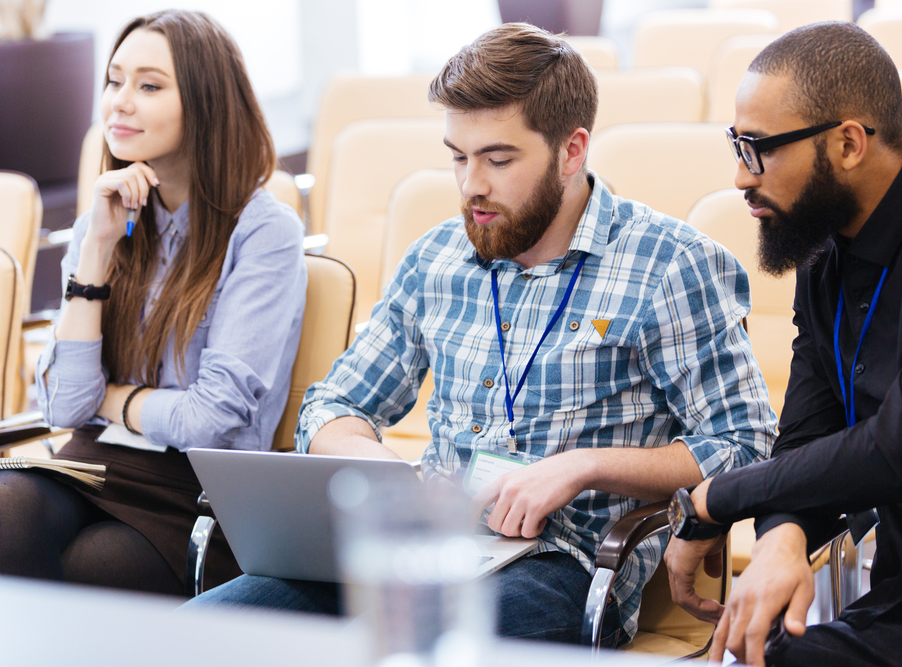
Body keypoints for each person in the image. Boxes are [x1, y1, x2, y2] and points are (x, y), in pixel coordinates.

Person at [187, 23, 774, 645]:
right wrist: (394, 480)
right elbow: (332, 408)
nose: (472, 186)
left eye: (497, 159)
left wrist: (581, 467)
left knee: (401, 648)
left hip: (562, 562)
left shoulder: (669, 266)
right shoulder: (436, 258)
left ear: (572, 151)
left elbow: (745, 443)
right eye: (458, 158)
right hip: (423, 547)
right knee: (201, 635)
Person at [0, 10, 307, 596]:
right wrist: (100, 249)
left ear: (206, 103)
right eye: (114, 81)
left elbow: (211, 421)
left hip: (196, 493)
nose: (119, 103)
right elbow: (64, 405)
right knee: (2, 502)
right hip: (91, 465)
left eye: (149, 85)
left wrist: (112, 399)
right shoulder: (100, 224)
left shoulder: (264, 232)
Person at [662, 22, 902, 667]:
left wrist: (718, 497)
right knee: (769, 654)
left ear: (847, 144)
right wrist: (783, 535)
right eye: (737, 145)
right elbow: (806, 437)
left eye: (758, 149)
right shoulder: (823, 256)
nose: (739, 177)